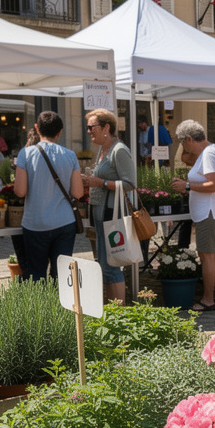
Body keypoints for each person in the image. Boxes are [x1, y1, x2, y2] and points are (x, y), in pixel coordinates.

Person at [171, 120, 215, 311]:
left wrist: (187, 186)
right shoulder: (210, 152)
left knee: (206, 255)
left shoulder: (208, 154)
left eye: (182, 142)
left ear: (189, 139)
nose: (183, 147)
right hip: (212, 211)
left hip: (209, 212)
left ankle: (208, 299)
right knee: (213, 253)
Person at [14, 111, 83, 282]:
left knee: (36, 274)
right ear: (60, 132)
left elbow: (20, 191)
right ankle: (60, 300)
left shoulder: (25, 154)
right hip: (65, 222)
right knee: (61, 275)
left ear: (37, 128)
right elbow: (78, 193)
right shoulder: (70, 155)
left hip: (35, 223)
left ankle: (40, 301)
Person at [81, 108, 134, 305]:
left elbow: (130, 183)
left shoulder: (119, 150)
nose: (89, 131)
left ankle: (118, 311)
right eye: (88, 127)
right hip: (101, 213)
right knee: (105, 264)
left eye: (92, 127)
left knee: (112, 264)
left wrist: (100, 182)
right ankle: (112, 309)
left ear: (106, 128)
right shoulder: (103, 150)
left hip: (112, 214)